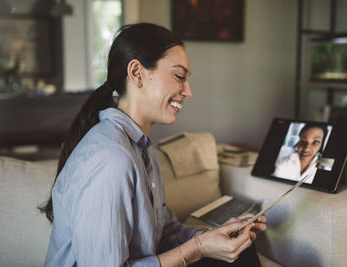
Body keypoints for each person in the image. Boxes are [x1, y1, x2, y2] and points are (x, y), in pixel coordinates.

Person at [41, 23, 266, 267]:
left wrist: (209, 237)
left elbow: (165, 232)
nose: (188, 91)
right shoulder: (110, 157)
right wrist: (198, 249)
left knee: (241, 251)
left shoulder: (143, 149)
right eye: (179, 77)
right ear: (137, 73)